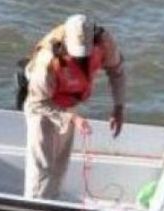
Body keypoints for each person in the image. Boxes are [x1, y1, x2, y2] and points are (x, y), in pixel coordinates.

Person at [22, 14, 126, 200]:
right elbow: (37, 103)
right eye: (77, 55)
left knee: (59, 165)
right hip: (43, 105)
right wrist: (72, 118)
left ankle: (52, 205)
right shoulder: (47, 59)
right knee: (42, 168)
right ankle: (35, 207)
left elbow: (117, 71)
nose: (81, 59)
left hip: (68, 104)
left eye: (85, 54)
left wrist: (118, 107)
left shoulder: (104, 42)